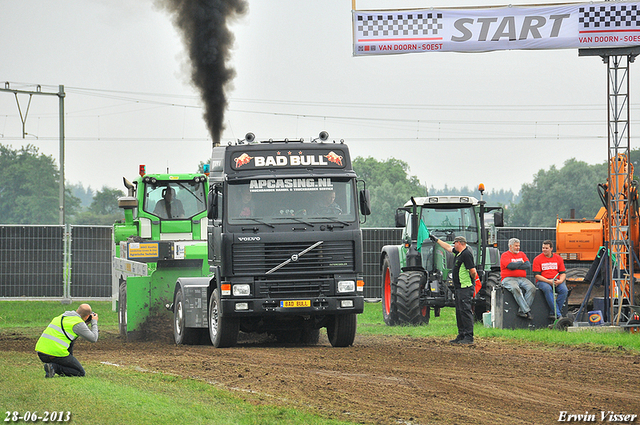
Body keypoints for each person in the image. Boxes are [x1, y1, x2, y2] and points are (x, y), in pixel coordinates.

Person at [430, 234, 477, 344]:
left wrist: (471, 281)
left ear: (460, 243)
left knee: (465, 311)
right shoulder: (459, 253)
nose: (454, 245)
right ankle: (461, 335)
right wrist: (437, 240)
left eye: (455, 243)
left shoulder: (466, 254)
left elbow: (473, 271)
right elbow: (447, 247)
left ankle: (469, 337)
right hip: (459, 288)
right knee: (459, 312)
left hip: (465, 287)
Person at [35, 303, 99, 378]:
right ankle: (53, 367)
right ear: (87, 316)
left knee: (70, 342)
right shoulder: (78, 323)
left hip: (41, 352)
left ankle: (52, 367)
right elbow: (93, 338)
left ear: (76, 310)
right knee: (80, 372)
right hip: (55, 353)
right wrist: (94, 322)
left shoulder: (62, 316)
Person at [500, 238, 536, 320]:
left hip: (522, 278)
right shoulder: (505, 255)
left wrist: (515, 265)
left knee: (532, 288)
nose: (518, 248)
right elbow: (510, 266)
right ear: (510, 246)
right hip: (508, 278)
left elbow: (527, 265)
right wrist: (520, 263)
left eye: (518, 246)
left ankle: (522, 311)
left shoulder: (522, 254)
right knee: (515, 288)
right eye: (516, 246)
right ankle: (527, 311)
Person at [532, 240, 568, 320]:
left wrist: (560, 281)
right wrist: (548, 281)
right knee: (547, 289)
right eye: (543, 248)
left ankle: (553, 312)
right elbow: (537, 275)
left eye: (546, 248)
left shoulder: (558, 258)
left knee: (564, 290)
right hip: (543, 281)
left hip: (556, 280)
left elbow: (563, 273)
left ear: (551, 249)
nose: (544, 250)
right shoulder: (537, 259)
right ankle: (558, 315)